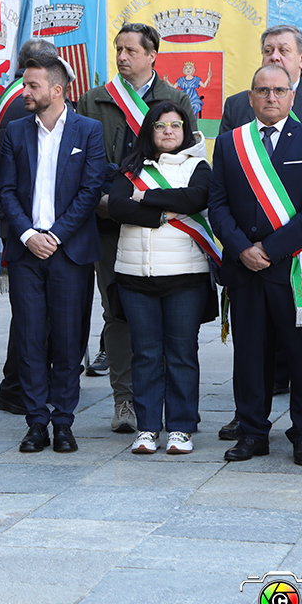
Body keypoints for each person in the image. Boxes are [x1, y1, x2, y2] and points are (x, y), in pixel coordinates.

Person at [217, 26, 302, 446]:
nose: (270, 97)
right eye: (262, 91)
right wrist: (243, 249)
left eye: (278, 91)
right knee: (250, 358)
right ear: (251, 96)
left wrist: (269, 250)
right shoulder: (229, 143)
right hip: (246, 270)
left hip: (295, 267)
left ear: (292, 94)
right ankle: (253, 432)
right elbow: (218, 204)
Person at [78, 22, 196, 434]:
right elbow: (79, 165)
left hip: (165, 228)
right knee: (120, 314)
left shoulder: (176, 99)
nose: (123, 57)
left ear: (152, 56)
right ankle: (125, 400)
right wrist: (103, 203)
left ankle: (177, 404)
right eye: (118, 49)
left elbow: (191, 162)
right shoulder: (94, 100)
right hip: (110, 227)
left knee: (174, 320)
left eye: (131, 50)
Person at [0, 53, 105, 454]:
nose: (24, 91)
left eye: (32, 86)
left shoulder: (88, 131)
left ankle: (63, 420)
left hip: (69, 252)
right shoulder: (15, 130)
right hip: (27, 252)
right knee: (28, 339)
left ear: (57, 91)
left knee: (67, 339)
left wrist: (55, 236)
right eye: (24, 84)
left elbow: (90, 190)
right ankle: (36, 421)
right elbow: (5, 190)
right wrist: (28, 234)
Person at [108, 100, 214, 456]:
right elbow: (119, 207)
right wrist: (162, 214)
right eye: (160, 125)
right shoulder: (129, 168)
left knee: (182, 352)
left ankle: (181, 428)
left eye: (175, 125)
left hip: (184, 276)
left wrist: (145, 197)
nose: (168, 131)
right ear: (149, 131)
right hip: (135, 276)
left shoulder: (198, 166)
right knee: (145, 354)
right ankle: (148, 428)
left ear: (185, 130)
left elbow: (196, 198)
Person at [0, 37, 66, 415]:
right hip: (24, 227)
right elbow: (13, 178)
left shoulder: (12, 97)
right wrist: (27, 231)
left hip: (41, 228)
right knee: (31, 316)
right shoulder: (19, 106)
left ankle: (29, 384)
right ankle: (18, 386)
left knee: (38, 315)